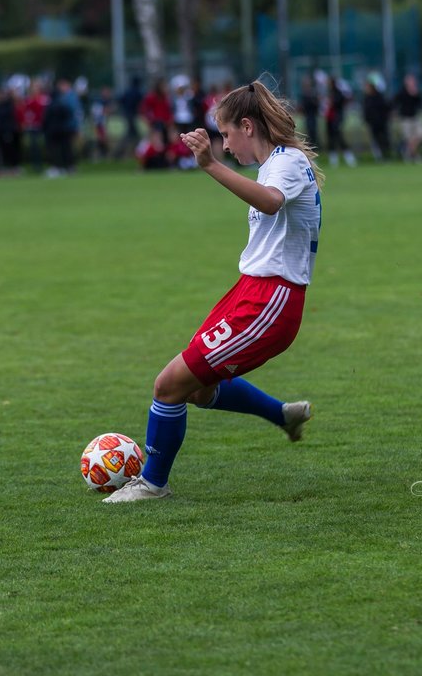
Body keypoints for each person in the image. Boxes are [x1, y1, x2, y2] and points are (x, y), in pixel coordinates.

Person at [103, 80, 321, 503]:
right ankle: (282, 414)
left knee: (167, 385)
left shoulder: (287, 162)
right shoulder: (275, 162)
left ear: (247, 126)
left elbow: (272, 201)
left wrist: (210, 164)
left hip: (269, 301)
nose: (225, 144)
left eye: (226, 134)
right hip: (249, 292)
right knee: (198, 389)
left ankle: (152, 484)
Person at [394, 74, 422, 163]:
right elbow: (395, 102)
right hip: (405, 119)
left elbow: (421, 103)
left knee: (421, 135)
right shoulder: (402, 92)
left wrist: (415, 94)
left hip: (415, 118)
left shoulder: (417, 92)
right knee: (409, 138)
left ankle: (408, 153)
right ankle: (415, 156)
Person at [361, 79, 391, 162]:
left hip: (381, 122)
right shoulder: (367, 98)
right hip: (373, 123)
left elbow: (385, 107)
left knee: (384, 140)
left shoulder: (379, 97)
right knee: (375, 140)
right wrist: (366, 120)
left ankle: (386, 156)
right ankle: (379, 157)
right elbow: (365, 111)